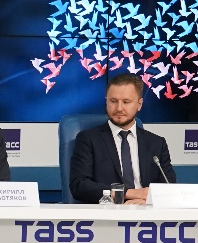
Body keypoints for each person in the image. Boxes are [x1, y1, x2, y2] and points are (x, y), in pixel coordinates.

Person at [69, 72, 176, 204]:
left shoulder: (156, 143)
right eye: (113, 101)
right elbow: (79, 186)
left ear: (139, 104)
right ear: (106, 102)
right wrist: (129, 193)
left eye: (126, 102)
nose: (119, 108)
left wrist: (149, 201)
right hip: (107, 212)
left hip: (146, 211)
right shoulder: (88, 139)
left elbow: (169, 187)